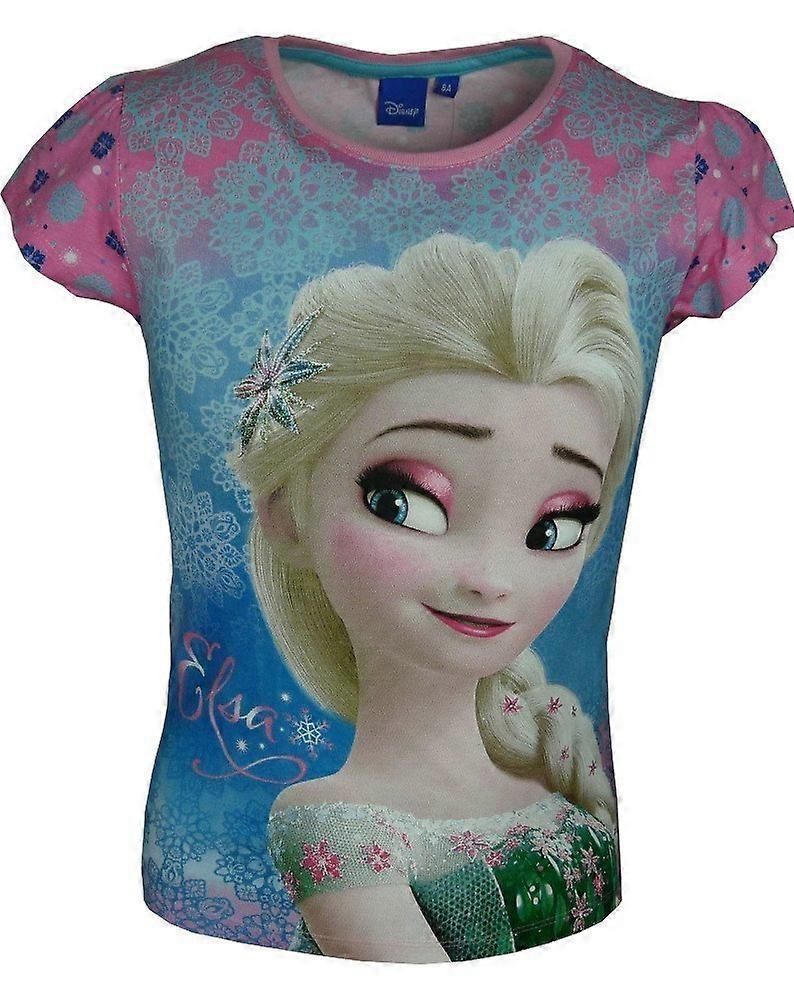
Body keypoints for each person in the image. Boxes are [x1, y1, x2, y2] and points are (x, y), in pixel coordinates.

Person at [227, 231, 645, 961]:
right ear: (289, 514)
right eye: (407, 503)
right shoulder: (335, 826)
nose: (491, 578)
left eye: (553, 528)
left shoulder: (546, 763)